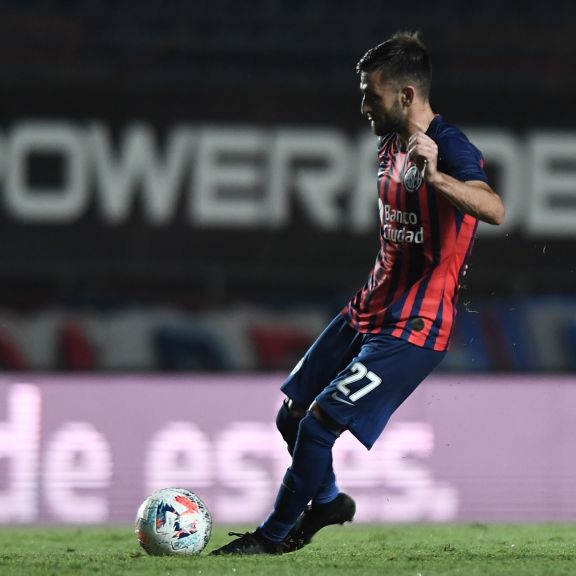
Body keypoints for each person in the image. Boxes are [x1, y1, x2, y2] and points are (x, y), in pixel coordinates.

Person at [211, 30, 505, 556]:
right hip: (366, 311)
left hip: (412, 329)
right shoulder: (390, 144)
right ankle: (326, 503)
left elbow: (494, 208)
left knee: (319, 426)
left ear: (406, 95)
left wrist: (436, 177)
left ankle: (273, 538)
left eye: (372, 92)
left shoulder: (451, 147)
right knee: (291, 416)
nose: (363, 103)